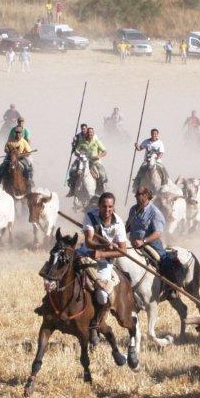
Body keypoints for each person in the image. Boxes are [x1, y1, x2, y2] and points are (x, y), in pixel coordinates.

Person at [80, 192, 129, 337]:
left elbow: (123, 251)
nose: (107, 210)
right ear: (99, 206)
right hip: (85, 254)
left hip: (104, 262)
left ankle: (96, 323)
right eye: (104, 206)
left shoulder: (118, 222)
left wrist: (103, 254)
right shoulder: (90, 216)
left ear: (113, 207)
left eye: (110, 207)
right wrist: (103, 246)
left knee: (102, 295)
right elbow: (89, 242)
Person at [0, 118, 34, 191]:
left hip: (21, 157)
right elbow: (6, 148)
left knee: (28, 166)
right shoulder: (10, 141)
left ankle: (29, 182)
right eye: (16, 133)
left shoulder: (23, 141)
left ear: (21, 133)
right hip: (11, 157)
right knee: (2, 166)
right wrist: (8, 151)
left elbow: (29, 151)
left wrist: (22, 154)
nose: (18, 134)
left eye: (19, 133)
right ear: (14, 133)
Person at [70, 125, 107, 195]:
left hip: (95, 162)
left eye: (92, 132)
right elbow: (76, 151)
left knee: (102, 173)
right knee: (73, 170)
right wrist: (79, 154)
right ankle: (72, 189)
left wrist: (98, 156)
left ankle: (101, 190)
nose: (90, 134)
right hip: (83, 161)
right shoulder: (82, 142)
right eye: (89, 133)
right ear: (86, 133)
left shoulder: (96, 141)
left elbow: (105, 152)